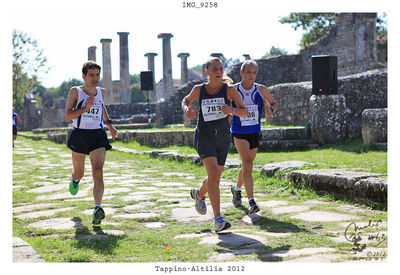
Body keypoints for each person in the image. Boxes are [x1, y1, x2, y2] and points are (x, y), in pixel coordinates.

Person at [182, 57, 248, 232]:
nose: (218, 72)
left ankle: (198, 194)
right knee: (213, 172)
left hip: (223, 137)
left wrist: (232, 110)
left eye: (220, 69)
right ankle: (218, 219)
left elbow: (245, 111)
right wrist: (186, 110)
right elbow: (186, 100)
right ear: (207, 72)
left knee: (215, 176)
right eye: (214, 69)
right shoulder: (199, 89)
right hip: (204, 136)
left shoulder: (230, 90)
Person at [65, 61, 117, 225]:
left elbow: (101, 106)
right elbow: (68, 116)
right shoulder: (76, 92)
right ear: (84, 76)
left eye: (97, 75)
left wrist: (110, 125)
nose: (95, 78)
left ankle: (97, 208)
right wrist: (85, 108)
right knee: (80, 172)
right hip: (80, 134)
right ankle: (75, 179)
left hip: (97, 134)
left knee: (98, 171)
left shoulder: (102, 92)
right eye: (91, 75)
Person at [230, 60, 277, 214]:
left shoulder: (261, 89)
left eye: (254, 73)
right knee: (248, 163)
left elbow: (273, 104)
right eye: (248, 72)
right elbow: (226, 109)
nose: (251, 75)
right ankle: (251, 201)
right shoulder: (233, 90)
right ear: (242, 73)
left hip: (254, 131)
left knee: (247, 166)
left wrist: (271, 109)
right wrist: (231, 114)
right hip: (239, 131)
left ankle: (236, 189)